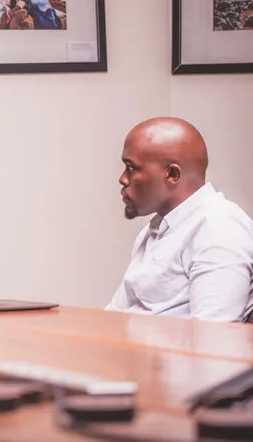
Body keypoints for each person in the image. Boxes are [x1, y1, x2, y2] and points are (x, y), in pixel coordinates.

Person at [106, 117, 253, 321]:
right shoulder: (156, 229)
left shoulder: (220, 228)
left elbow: (214, 333)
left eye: (132, 168)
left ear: (172, 174)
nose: (122, 179)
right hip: (124, 341)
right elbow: (114, 316)